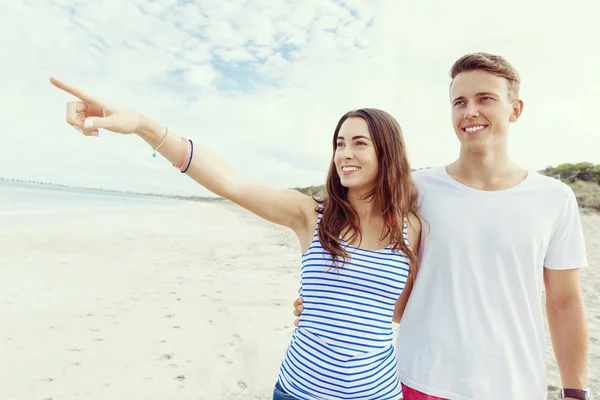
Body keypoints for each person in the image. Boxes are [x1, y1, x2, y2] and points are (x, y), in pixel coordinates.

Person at [48, 78, 424, 400]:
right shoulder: (312, 214)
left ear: (387, 153)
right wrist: (143, 125)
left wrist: (332, 304)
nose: (344, 153)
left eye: (359, 143)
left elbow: (397, 310)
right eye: (339, 143)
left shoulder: (412, 228)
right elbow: (231, 182)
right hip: (301, 389)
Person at [293, 52, 590, 400]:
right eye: (459, 102)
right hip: (416, 379)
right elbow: (360, 246)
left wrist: (575, 390)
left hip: (514, 384)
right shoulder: (414, 189)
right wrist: (324, 302)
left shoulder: (554, 198)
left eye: (485, 99)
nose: (470, 112)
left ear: (515, 109)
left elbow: (564, 302)